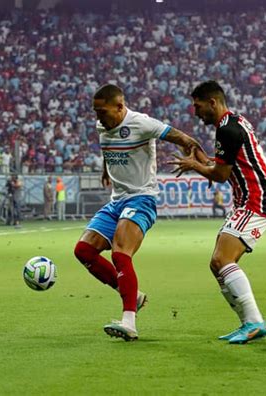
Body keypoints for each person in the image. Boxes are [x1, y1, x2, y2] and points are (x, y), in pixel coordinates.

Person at [73, 84, 206, 341]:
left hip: (141, 199)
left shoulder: (142, 124)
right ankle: (134, 295)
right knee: (83, 251)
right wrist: (105, 169)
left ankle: (129, 322)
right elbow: (107, 147)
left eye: (102, 111)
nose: (98, 117)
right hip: (117, 201)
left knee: (120, 252)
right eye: (95, 111)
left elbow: (186, 139)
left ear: (120, 107)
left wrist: (204, 164)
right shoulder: (103, 126)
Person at [169, 80, 266, 344]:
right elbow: (221, 163)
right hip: (247, 200)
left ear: (213, 103)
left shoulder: (227, 130)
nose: (195, 112)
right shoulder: (233, 123)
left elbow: (219, 174)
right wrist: (200, 157)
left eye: (198, 106)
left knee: (222, 260)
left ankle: (254, 322)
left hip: (255, 200)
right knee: (217, 264)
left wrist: (194, 164)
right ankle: (247, 323)